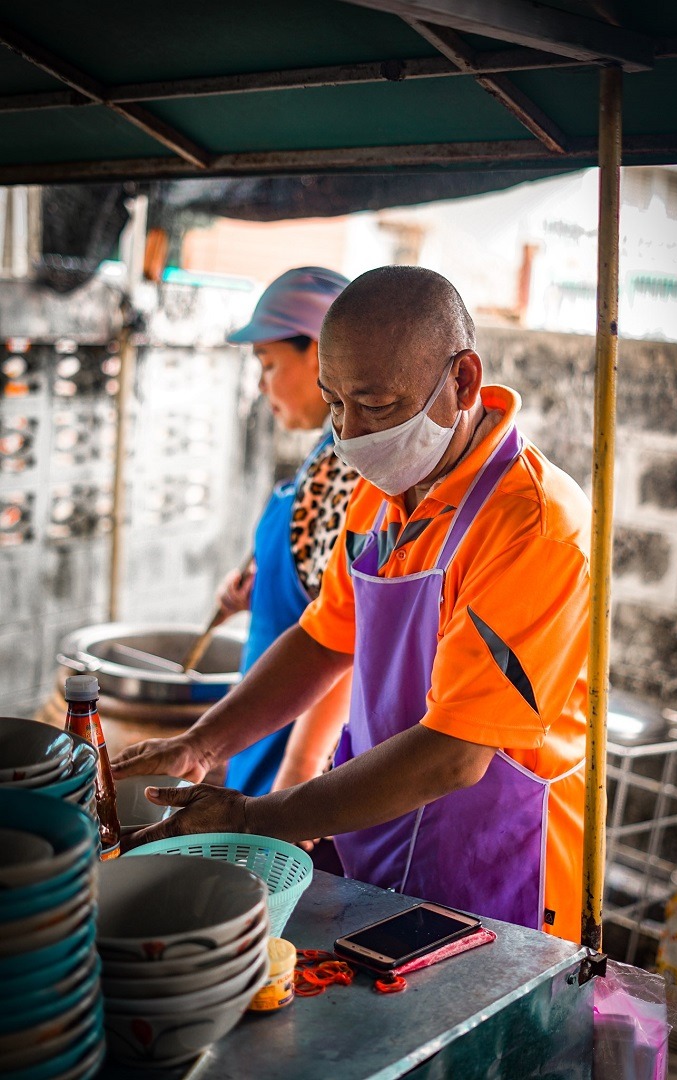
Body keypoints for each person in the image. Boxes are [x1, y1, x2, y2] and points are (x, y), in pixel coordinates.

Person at [114, 266, 590, 942]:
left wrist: (258, 817)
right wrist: (204, 742)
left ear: (461, 381)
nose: (351, 433)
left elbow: (456, 754)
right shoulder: (382, 492)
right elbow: (324, 639)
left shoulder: (533, 524)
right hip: (372, 839)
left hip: (492, 869)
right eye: (335, 403)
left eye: (376, 404)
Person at [215, 266, 357, 797]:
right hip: (265, 740)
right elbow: (313, 591)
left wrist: (298, 774)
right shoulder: (323, 460)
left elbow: (347, 638)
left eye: (269, 363)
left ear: (321, 355)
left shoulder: (342, 473)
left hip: (291, 760)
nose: (261, 384)